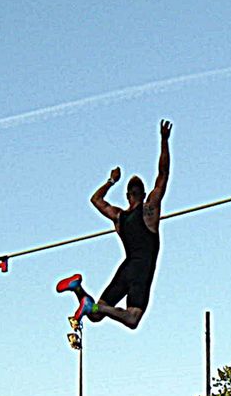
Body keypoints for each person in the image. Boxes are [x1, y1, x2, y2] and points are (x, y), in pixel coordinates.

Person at [58, 119, 172, 331]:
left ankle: (78, 289)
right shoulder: (150, 210)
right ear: (144, 194)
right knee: (132, 319)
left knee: (95, 314)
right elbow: (162, 174)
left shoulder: (118, 217)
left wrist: (111, 181)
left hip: (126, 269)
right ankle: (88, 302)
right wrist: (164, 140)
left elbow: (96, 200)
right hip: (141, 270)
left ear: (127, 195)